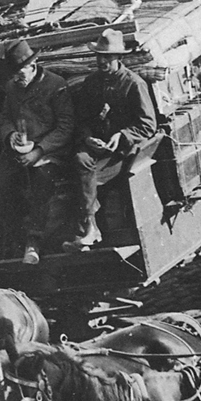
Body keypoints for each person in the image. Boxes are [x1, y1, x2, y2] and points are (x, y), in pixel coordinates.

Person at [0, 39, 74, 267]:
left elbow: (65, 126)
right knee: (0, 183)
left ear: (34, 65)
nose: (16, 77)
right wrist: (9, 134)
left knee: (42, 181)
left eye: (20, 71)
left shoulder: (56, 85)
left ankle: (33, 243)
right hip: (19, 151)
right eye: (13, 74)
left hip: (49, 152)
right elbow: (3, 117)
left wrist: (40, 150)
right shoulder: (13, 88)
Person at [70, 30, 157, 248]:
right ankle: (91, 227)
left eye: (107, 57)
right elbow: (81, 119)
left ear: (119, 58)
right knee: (80, 161)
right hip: (97, 149)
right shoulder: (91, 83)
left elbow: (148, 124)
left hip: (122, 153)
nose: (102, 61)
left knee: (89, 177)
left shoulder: (133, 84)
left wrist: (123, 135)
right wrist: (88, 137)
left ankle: (88, 229)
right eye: (99, 56)